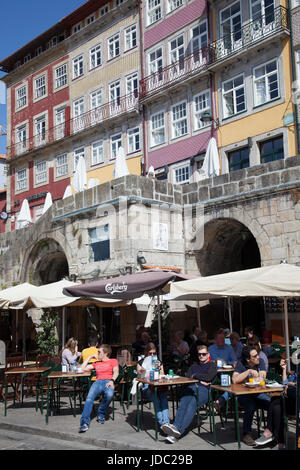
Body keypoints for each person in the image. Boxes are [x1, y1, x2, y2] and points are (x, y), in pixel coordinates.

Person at [161, 344, 217, 444]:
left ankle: (178, 431)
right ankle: (175, 429)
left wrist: (195, 376)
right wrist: (200, 378)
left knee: (192, 404)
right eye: (199, 354)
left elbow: (209, 377)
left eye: (204, 354)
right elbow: (187, 377)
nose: (201, 356)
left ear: (208, 354)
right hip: (191, 387)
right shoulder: (194, 366)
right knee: (183, 402)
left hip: (204, 390)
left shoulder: (212, 365)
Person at [255, 359, 298, 449]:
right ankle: (277, 439)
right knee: (276, 403)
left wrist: (292, 385)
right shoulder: (298, 368)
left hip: (298, 403)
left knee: (277, 403)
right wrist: (284, 369)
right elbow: (285, 383)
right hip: (293, 400)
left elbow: (291, 385)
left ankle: (276, 438)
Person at [232, 345, 269, 446]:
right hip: (244, 395)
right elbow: (234, 379)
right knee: (250, 406)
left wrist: (248, 378)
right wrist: (248, 371)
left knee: (271, 403)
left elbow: (262, 377)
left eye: (257, 354)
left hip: (258, 393)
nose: (258, 357)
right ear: (248, 359)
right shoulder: (241, 363)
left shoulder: (260, 361)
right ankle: (246, 434)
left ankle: (271, 431)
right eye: (255, 356)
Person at [78, 344, 119, 432]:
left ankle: (101, 412)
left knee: (109, 395)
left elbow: (116, 372)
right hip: (97, 382)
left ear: (106, 353)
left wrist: (112, 380)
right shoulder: (96, 363)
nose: (97, 353)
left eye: (99, 352)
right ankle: (84, 422)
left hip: (108, 381)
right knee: (89, 399)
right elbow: (82, 368)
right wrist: (89, 357)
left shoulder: (113, 361)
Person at [137, 343, 170, 429]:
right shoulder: (141, 362)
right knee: (156, 399)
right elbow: (139, 377)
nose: (152, 355)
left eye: (154, 353)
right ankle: (162, 423)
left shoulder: (158, 361)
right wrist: (144, 371)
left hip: (158, 385)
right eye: (150, 353)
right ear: (146, 353)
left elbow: (162, 376)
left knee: (163, 398)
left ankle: (166, 422)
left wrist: (159, 368)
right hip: (147, 387)